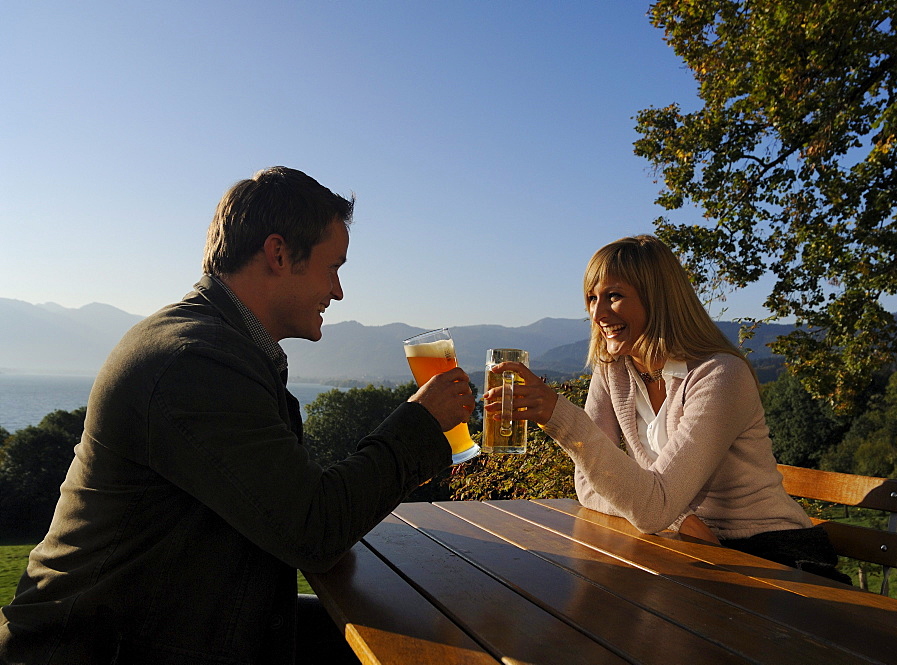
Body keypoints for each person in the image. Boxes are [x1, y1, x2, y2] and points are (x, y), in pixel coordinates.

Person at [0, 167, 475, 664]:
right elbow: (314, 530)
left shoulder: (215, 345)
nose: (338, 292)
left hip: (154, 629)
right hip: (95, 650)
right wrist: (420, 423)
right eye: (334, 266)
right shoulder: (195, 362)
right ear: (278, 254)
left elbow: (293, 509)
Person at [484, 234, 849, 582]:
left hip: (770, 554)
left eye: (614, 295)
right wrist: (677, 521)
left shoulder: (720, 375)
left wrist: (558, 416)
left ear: (657, 299)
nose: (598, 313)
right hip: (684, 545)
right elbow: (589, 487)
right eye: (592, 299)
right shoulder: (613, 371)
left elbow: (652, 507)